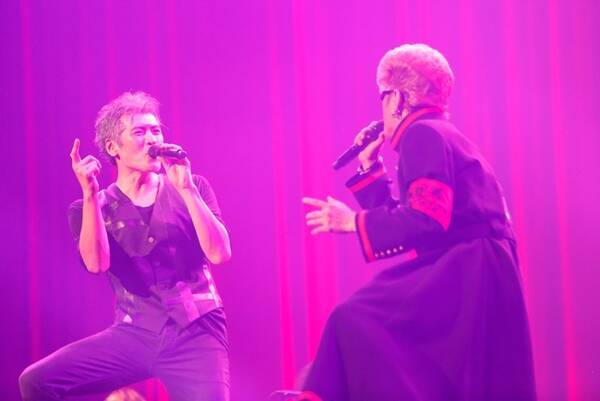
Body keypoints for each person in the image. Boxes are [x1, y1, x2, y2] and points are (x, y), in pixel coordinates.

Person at [300, 44, 536, 401]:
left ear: (396, 98)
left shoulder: (423, 135)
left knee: (352, 319)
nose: (381, 107)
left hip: (465, 270)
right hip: (478, 268)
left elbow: (425, 220)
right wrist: (370, 168)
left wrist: (352, 222)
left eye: (382, 96)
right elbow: (418, 217)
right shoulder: (442, 133)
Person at [19, 92, 232, 401]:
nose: (152, 139)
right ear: (112, 147)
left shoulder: (192, 186)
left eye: (156, 130)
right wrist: (90, 195)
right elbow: (97, 264)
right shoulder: (91, 207)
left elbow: (220, 254)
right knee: (37, 381)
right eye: (139, 132)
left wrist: (186, 189)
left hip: (196, 331)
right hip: (136, 333)